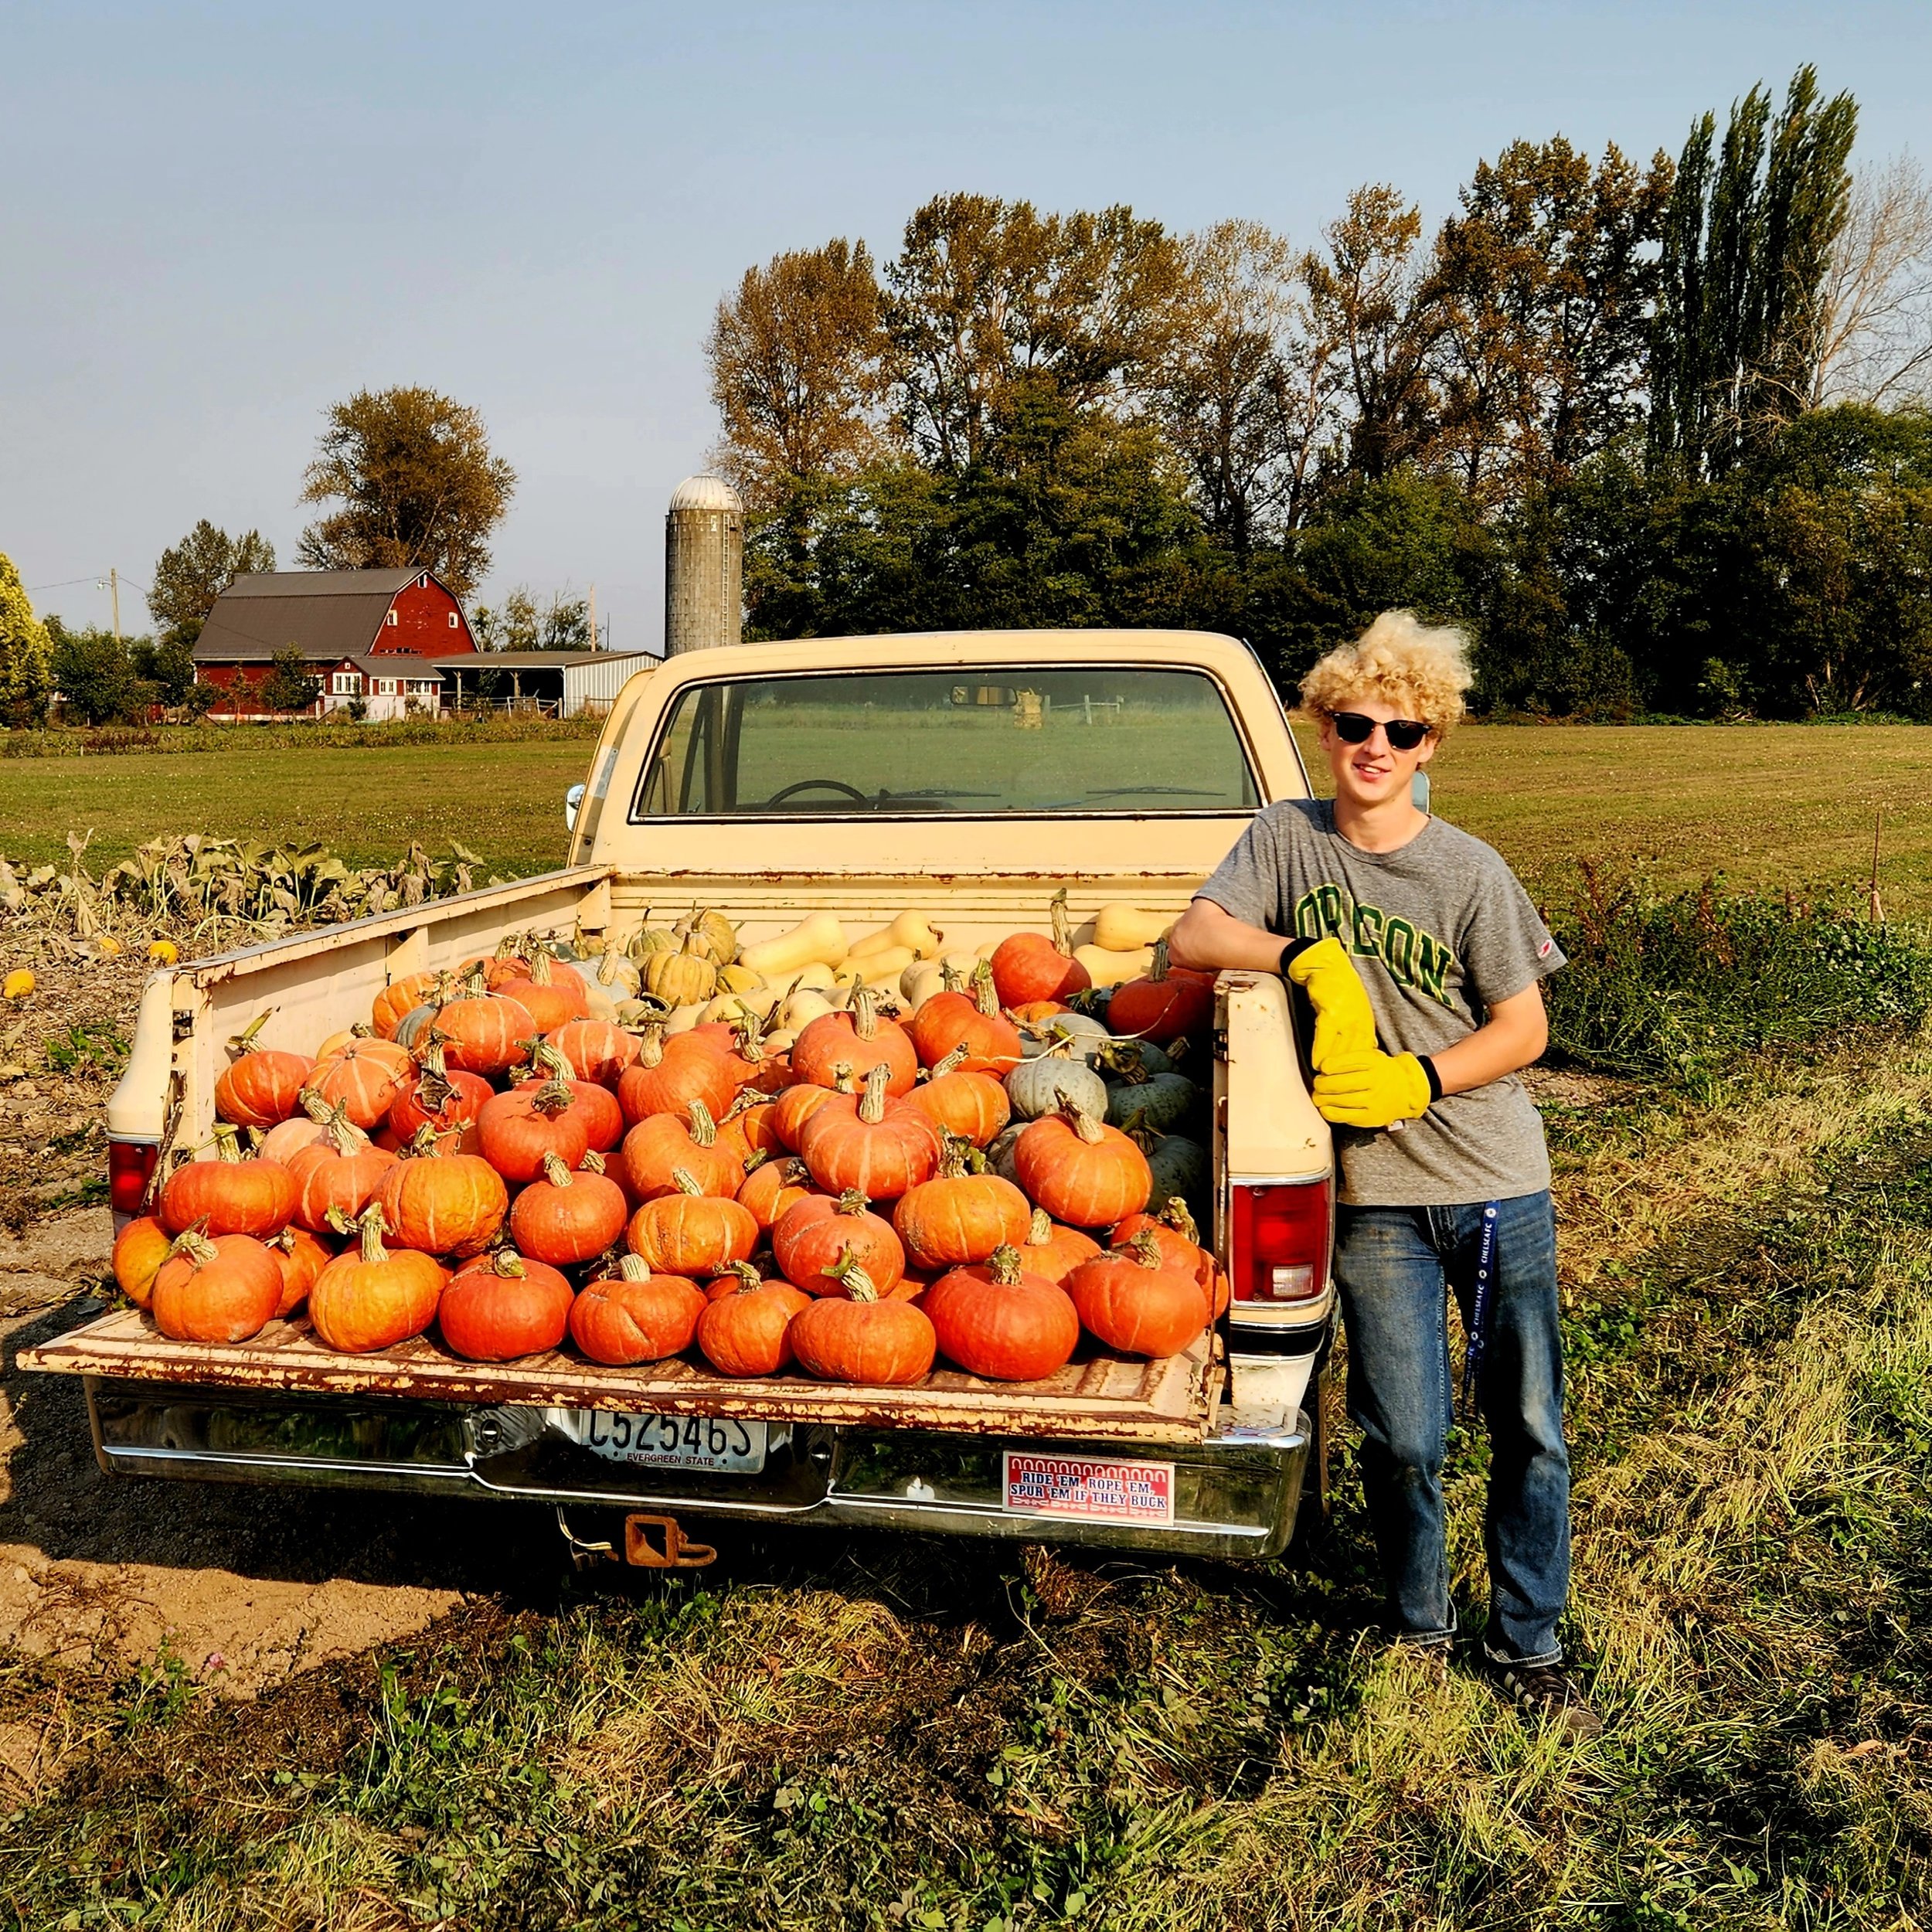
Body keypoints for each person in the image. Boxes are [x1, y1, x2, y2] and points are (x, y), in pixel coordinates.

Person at [1168, 610, 1600, 1740]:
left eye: (1399, 730)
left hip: (1494, 1181)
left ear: (1430, 742)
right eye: (1355, 723)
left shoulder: (1469, 872)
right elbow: (1194, 936)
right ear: (1325, 725)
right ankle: (1418, 1622)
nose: (1375, 745)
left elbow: (1526, 1027)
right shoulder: (1286, 838)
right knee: (1402, 1433)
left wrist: (1417, 1080)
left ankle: (1530, 1638)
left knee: (1527, 1422)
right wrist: (1299, 951)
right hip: (1373, 1199)